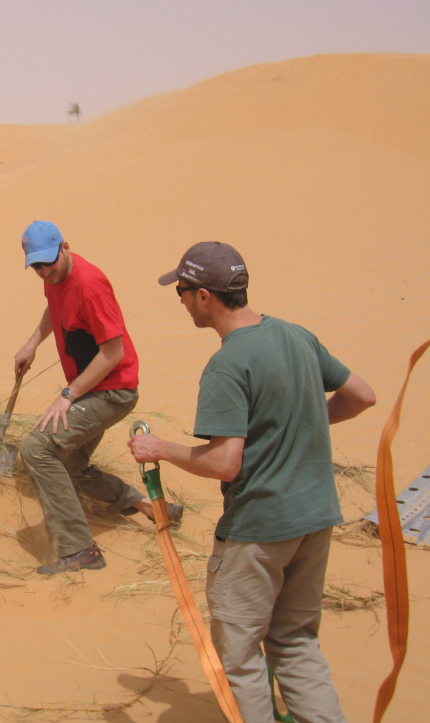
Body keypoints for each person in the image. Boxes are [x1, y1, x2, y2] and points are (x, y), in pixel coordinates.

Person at [127, 241, 376, 722]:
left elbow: (225, 463)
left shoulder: (227, 364)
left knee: (240, 659)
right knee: (296, 642)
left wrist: (161, 449)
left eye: (181, 292)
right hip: (315, 520)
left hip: (260, 529)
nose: (181, 301)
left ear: (204, 297)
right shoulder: (296, 335)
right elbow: (362, 396)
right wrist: (297, 421)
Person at [15, 220, 180, 576]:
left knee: (36, 449)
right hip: (93, 387)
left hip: (113, 391)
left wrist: (68, 395)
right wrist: (32, 343)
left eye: (49, 262)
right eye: (37, 266)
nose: (45, 271)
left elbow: (113, 353)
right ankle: (147, 505)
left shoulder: (90, 285)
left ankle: (80, 550)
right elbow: (54, 307)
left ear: (66, 247)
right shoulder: (53, 278)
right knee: (70, 464)